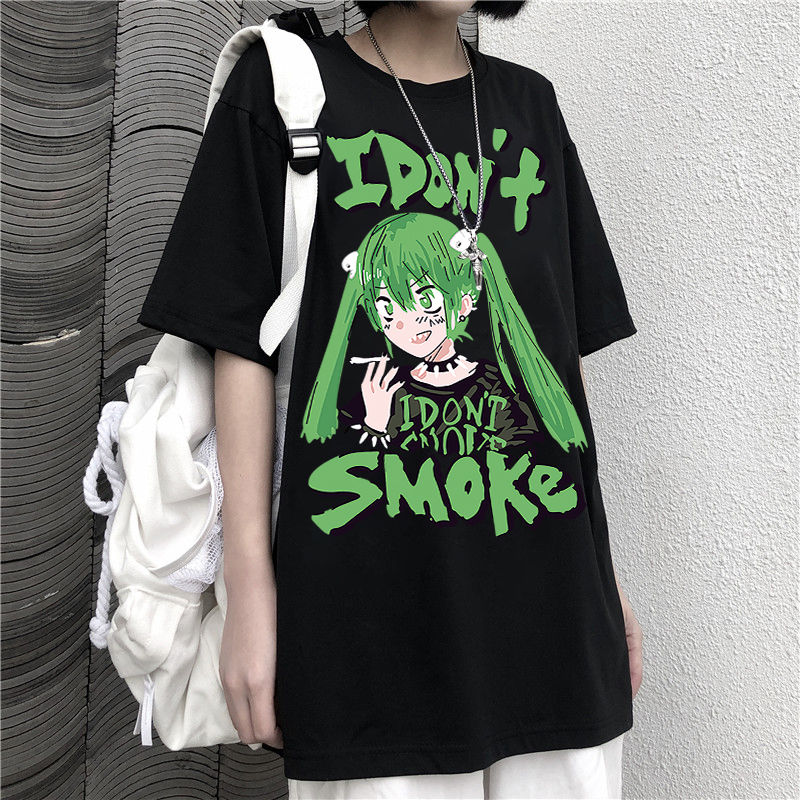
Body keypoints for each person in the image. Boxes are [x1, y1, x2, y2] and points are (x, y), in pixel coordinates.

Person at [137, 1, 644, 797]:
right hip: (368, 638)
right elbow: (238, 342)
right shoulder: (284, 90)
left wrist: (604, 580)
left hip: (553, 621)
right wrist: (249, 588)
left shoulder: (531, 107)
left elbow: (558, 371)